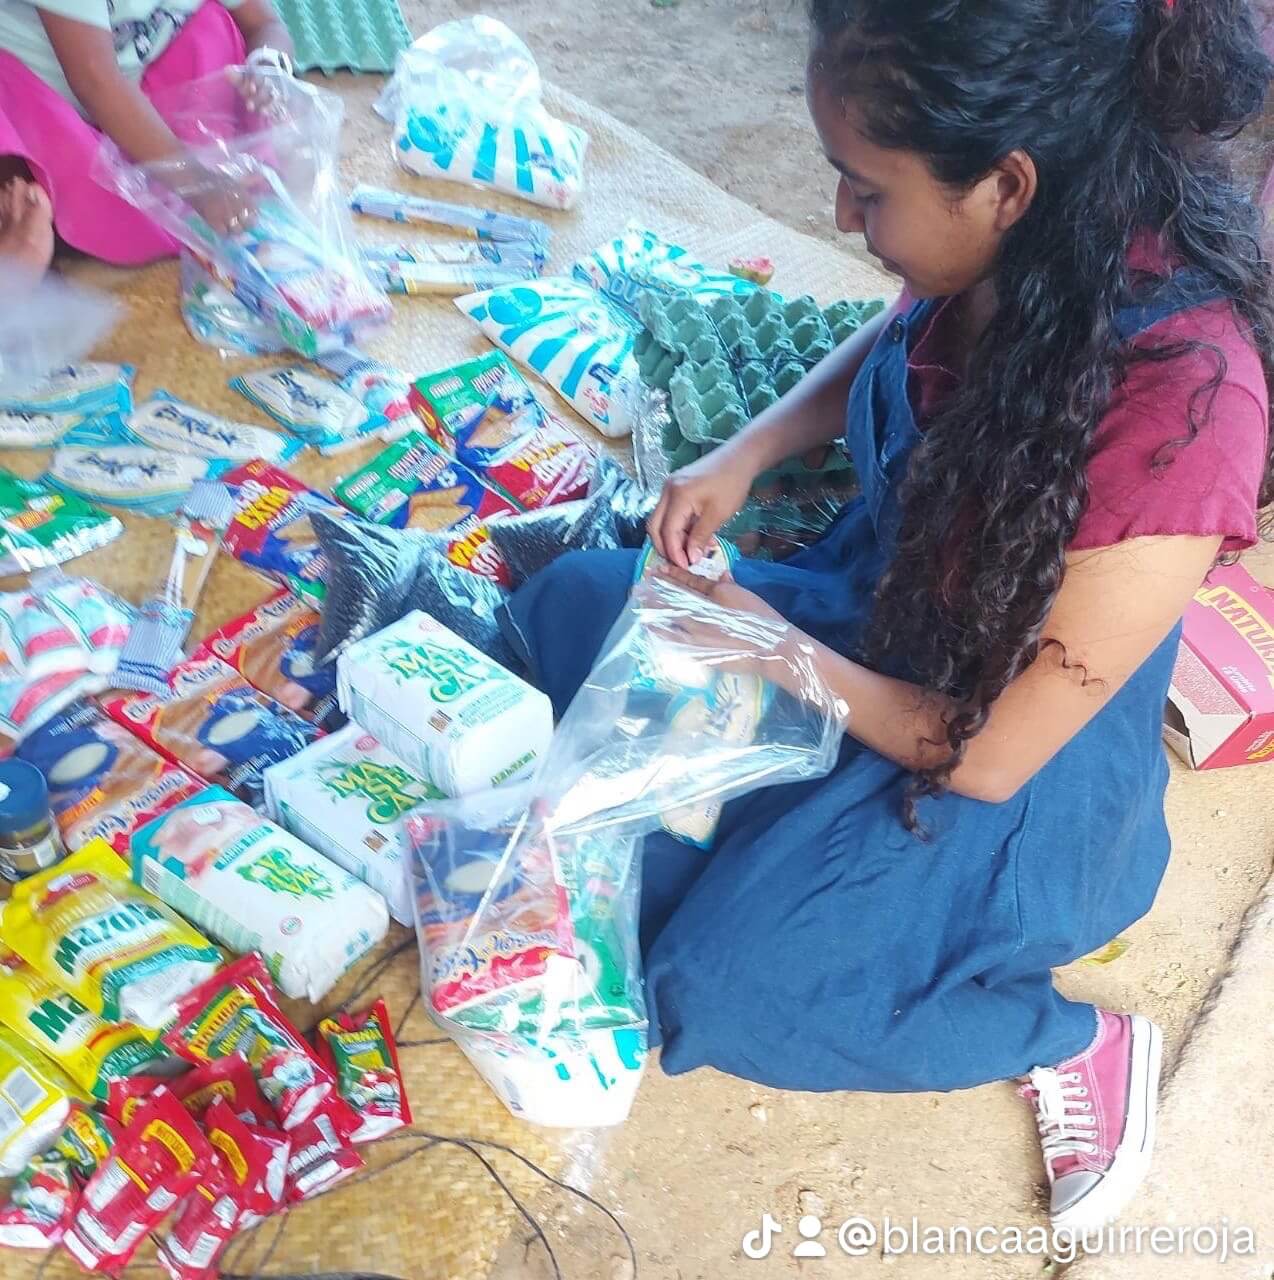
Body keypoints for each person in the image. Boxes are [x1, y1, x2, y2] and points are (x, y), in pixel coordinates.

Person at [501, 0, 1273, 1233]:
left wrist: (767, 648)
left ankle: (1060, 1034)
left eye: (865, 193)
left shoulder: (1184, 412)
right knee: (579, 606)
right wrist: (745, 458)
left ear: (1003, 184)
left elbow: (981, 755)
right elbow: (898, 329)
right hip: (879, 621)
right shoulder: (1014, 237)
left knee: (719, 985)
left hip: (1004, 781)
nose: (842, 223)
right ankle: (764, 846)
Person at [0, 0, 293, 281]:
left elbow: (264, 23)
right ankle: (18, 238)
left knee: (211, 25)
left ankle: (200, 170)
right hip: (38, 92)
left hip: (131, 82)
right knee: (18, 159)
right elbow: (96, 82)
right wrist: (197, 182)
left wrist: (267, 67)